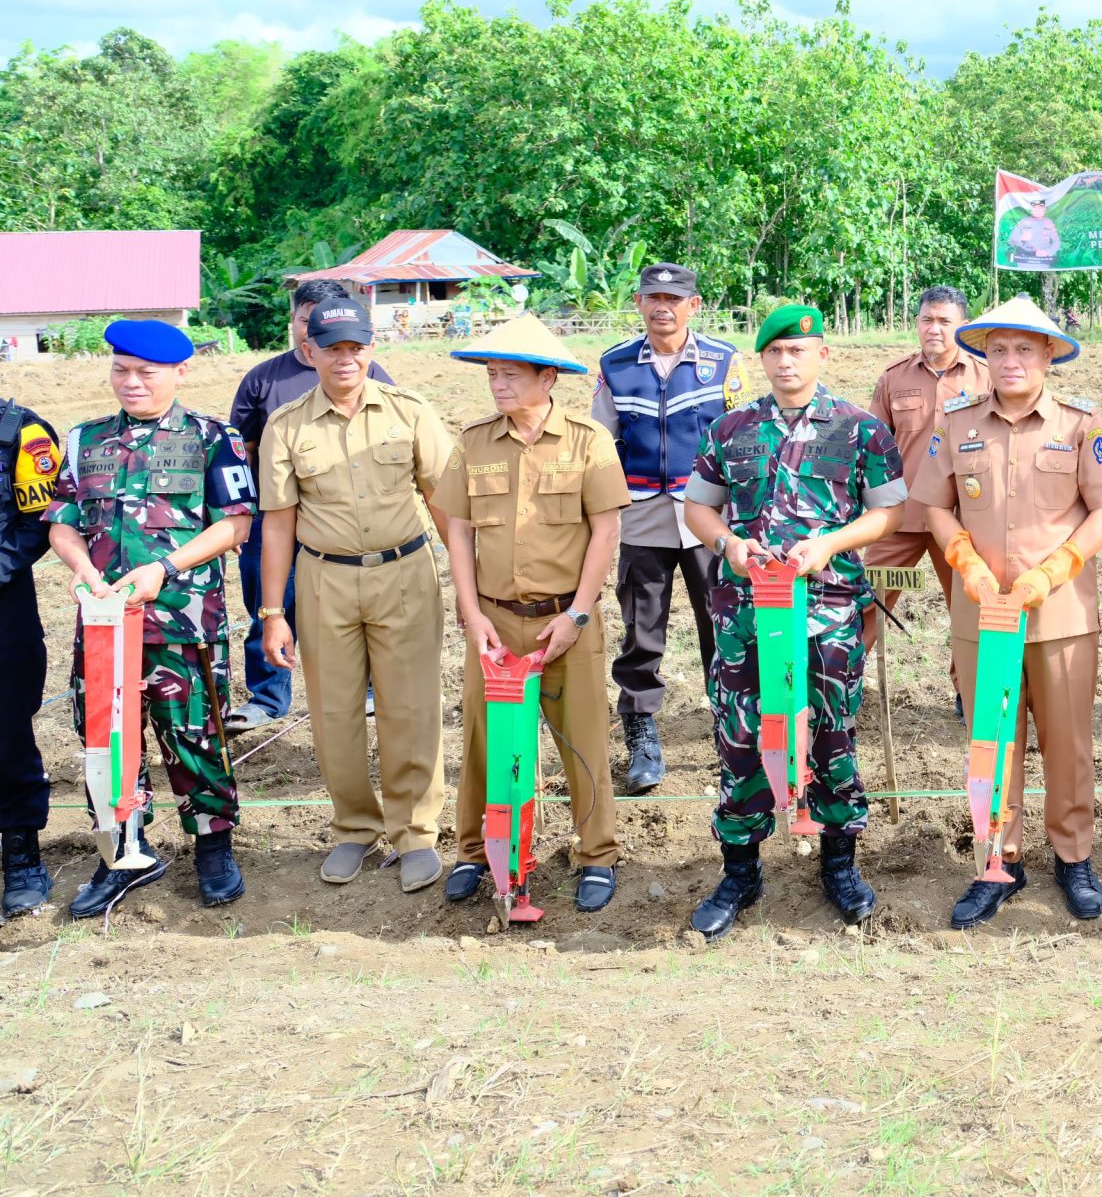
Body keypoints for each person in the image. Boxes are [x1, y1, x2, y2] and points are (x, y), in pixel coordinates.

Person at [680, 304, 905, 939]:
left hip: (827, 610)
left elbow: (888, 512)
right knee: (741, 733)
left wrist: (830, 543)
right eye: (775, 351)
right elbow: (697, 507)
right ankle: (740, 871)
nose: (786, 362)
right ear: (762, 358)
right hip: (745, 614)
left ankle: (840, 864)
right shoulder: (730, 430)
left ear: (822, 355)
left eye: (798, 351)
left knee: (833, 733)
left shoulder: (861, 431)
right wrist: (728, 543)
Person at [911, 296, 1102, 927]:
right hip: (983, 616)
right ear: (985, 354)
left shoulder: (1081, 424)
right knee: (992, 744)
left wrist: (1053, 571)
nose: (1011, 360)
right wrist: (965, 561)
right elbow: (936, 505)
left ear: (1049, 355)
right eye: (999, 348)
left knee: (1068, 744)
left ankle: (1073, 856)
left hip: (1061, 616)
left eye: (1025, 349)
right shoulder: (956, 422)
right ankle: (997, 860)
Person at [43, 320, 256, 914]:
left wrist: (164, 568)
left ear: (180, 372)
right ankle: (123, 852)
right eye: (121, 370)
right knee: (104, 738)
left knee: (194, 734)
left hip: (182, 621)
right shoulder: (84, 439)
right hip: (104, 624)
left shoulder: (213, 437)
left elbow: (235, 524)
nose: (131, 382)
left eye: (146, 372)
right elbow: (62, 522)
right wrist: (83, 569)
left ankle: (212, 846)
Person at [255, 297, 456, 892]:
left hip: (405, 573)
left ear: (371, 348)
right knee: (334, 711)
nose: (346, 358)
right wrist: (273, 613)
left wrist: (472, 585)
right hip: (326, 580)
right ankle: (354, 827)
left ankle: (415, 833)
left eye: (356, 347)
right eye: (332, 348)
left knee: (411, 707)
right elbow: (277, 524)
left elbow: (444, 502)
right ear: (309, 350)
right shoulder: (286, 425)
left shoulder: (409, 411)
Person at [432, 315, 631, 913]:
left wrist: (578, 615)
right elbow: (458, 530)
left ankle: (596, 854)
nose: (498, 384)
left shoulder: (588, 441)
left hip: (565, 622)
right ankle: (474, 852)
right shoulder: (473, 442)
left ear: (548, 379)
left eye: (511, 375)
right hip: (495, 622)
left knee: (583, 740)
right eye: (492, 374)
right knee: (483, 741)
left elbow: (606, 531)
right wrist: (471, 611)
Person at [593, 263, 747, 794]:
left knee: (721, 624)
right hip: (641, 514)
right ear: (639, 303)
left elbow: (739, 438)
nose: (663, 307)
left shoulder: (723, 361)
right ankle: (641, 734)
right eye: (653, 297)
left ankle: (732, 730)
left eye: (673, 298)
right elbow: (599, 442)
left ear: (693, 305)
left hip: (708, 516)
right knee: (642, 628)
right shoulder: (615, 364)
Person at [226, 278, 397, 730]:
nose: (313, 332)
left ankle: (367, 691)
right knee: (269, 607)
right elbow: (240, 451)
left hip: (343, 518)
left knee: (355, 606)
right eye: (305, 321)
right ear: (295, 321)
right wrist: (239, 515)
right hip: (273, 516)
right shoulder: (263, 378)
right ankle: (267, 698)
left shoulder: (369, 373)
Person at [864, 285, 990, 698]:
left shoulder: (985, 376)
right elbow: (873, 445)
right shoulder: (894, 377)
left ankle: (968, 693)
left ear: (963, 326)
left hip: (961, 520)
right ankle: (839, 686)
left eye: (944, 321)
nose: (934, 329)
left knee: (970, 608)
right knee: (866, 600)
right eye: (927, 320)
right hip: (900, 515)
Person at [1, 389, 61, 916]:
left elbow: (38, 521)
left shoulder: (21, 431)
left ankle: (21, 856)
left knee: (6, 734)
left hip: (3, 606)